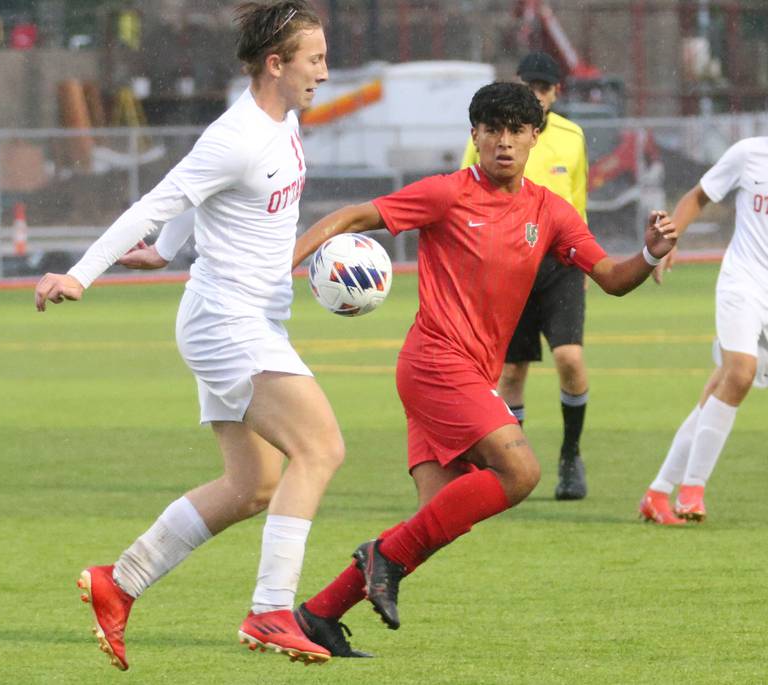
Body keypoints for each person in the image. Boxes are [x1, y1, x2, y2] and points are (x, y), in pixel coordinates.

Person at [285, 82, 676, 656]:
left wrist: (648, 254)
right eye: (491, 130)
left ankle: (319, 614)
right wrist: (279, 267)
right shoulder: (446, 194)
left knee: (436, 518)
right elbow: (351, 215)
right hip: (435, 363)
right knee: (519, 473)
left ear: (534, 137)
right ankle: (378, 560)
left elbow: (614, 280)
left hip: (466, 374)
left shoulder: (551, 210)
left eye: (516, 130)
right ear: (475, 136)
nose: (504, 142)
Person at [34, 1, 339, 669]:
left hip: (247, 318)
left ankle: (120, 581)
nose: (325, 71)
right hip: (226, 321)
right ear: (276, 63)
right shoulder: (237, 134)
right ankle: (270, 609)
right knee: (320, 448)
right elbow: (158, 200)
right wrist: (84, 274)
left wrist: (169, 249)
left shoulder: (282, 119)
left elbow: (203, 201)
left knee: (252, 484)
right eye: (314, 59)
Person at [461, 52, 591, 500]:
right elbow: (465, 193)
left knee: (569, 359)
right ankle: (509, 464)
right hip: (507, 267)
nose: (536, 93)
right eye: (529, 84)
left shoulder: (572, 137)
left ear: (556, 92)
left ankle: (570, 454)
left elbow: (578, 199)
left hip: (560, 262)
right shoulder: (490, 133)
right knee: (512, 372)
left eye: (544, 87)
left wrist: (588, 259)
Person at [639, 137, 768, 525]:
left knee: (720, 388)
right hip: (743, 281)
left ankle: (658, 491)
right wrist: (670, 238)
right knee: (741, 372)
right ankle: (693, 489)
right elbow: (698, 196)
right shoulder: (751, 154)